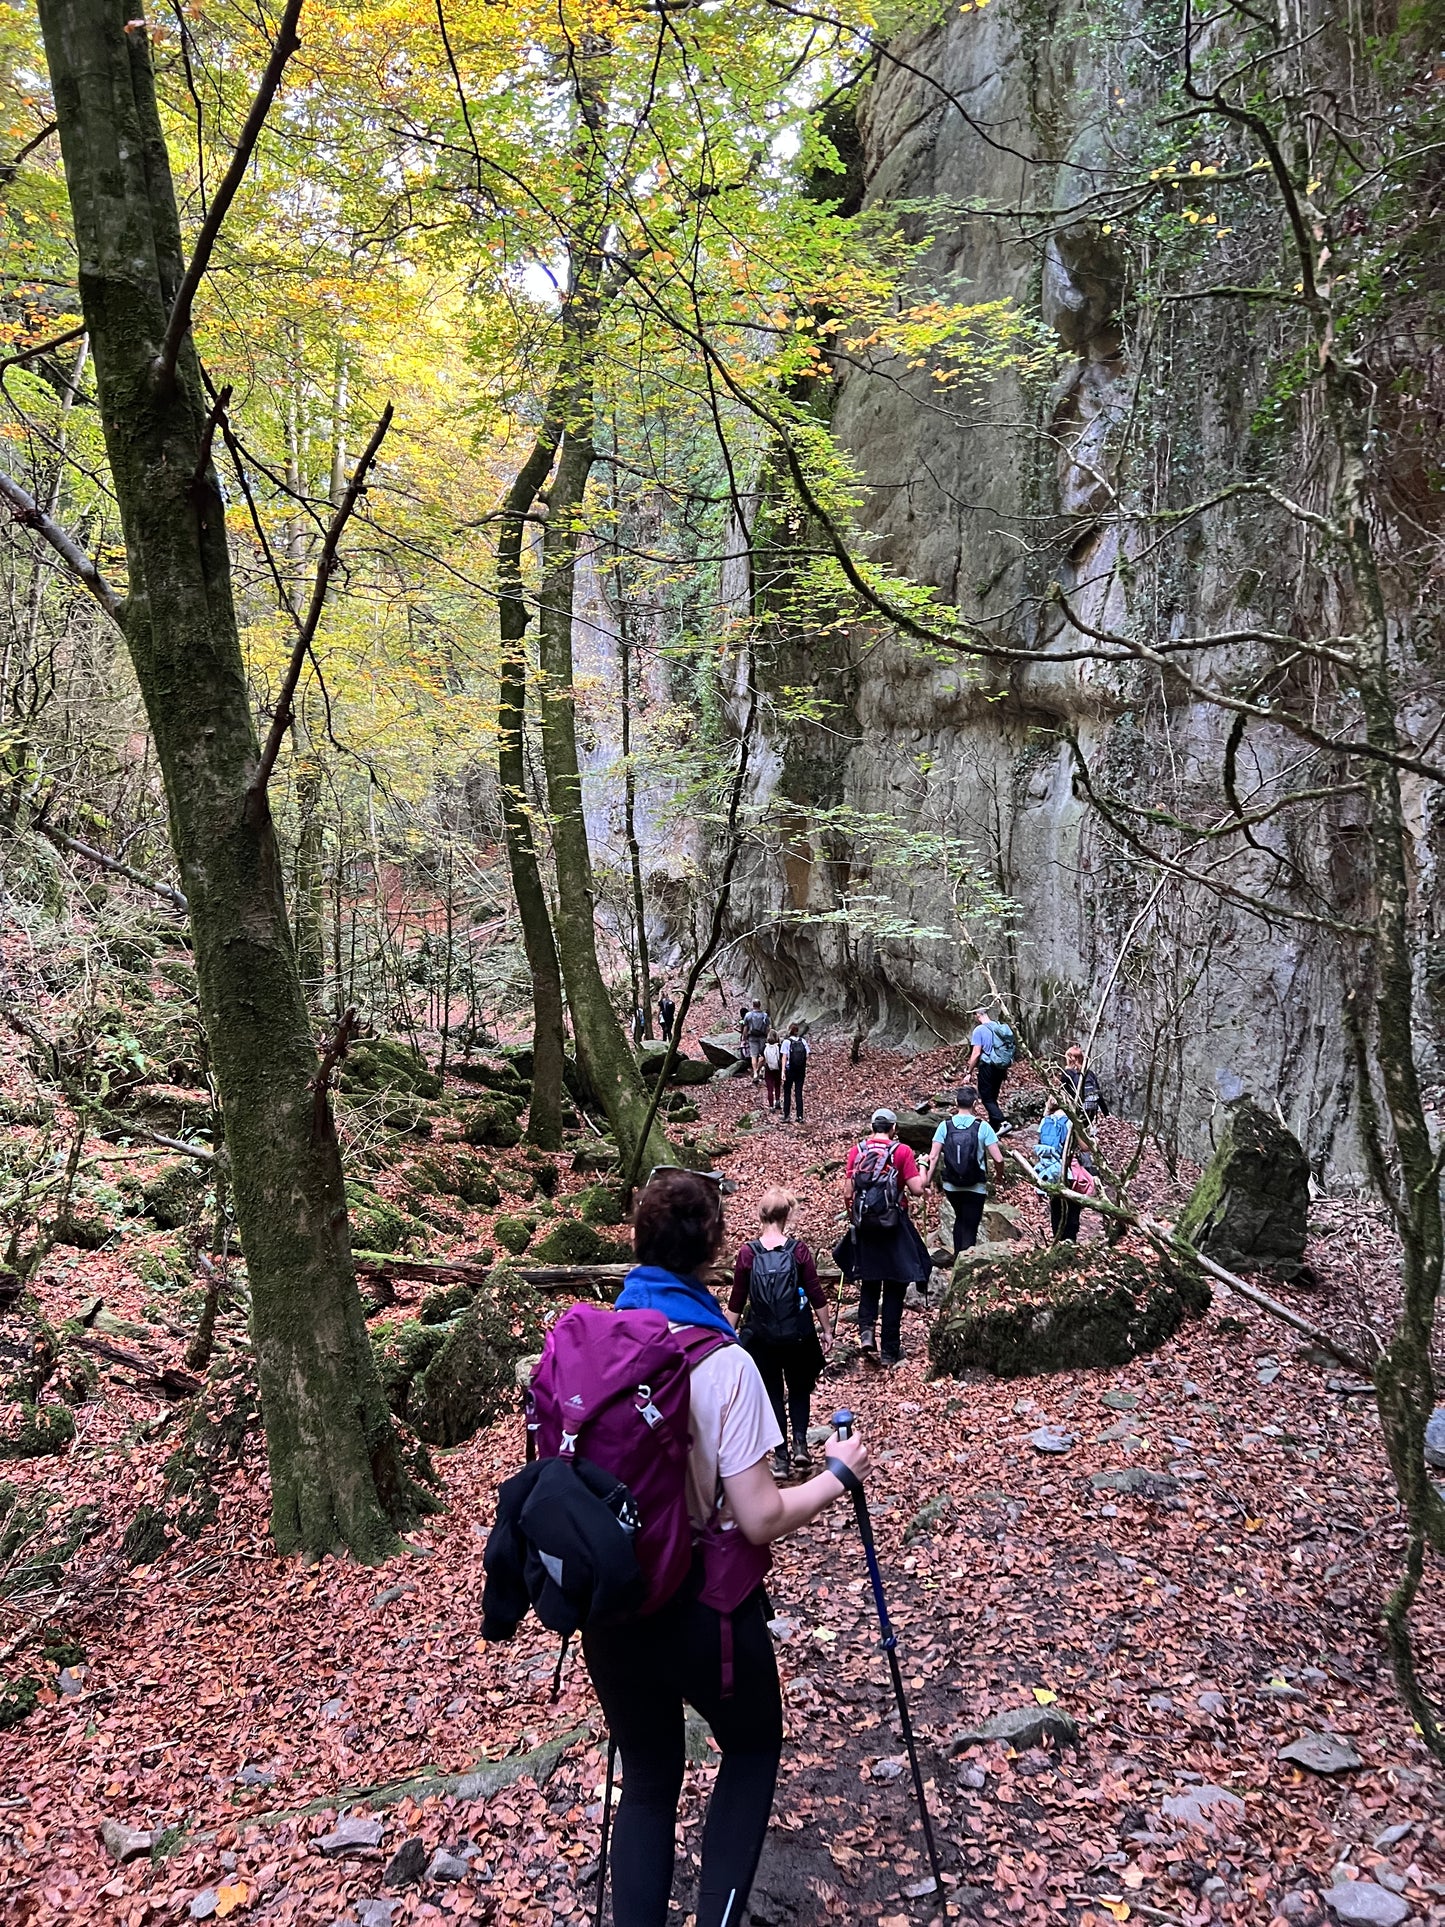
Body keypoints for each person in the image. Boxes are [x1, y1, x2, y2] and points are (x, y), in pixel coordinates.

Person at [581, 1170, 869, 1927]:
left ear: (638, 1244)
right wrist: (838, 1475)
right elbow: (759, 1515)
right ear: (712, 1251)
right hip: (704, 1610)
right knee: (748, 1751)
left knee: (645, 1781)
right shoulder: (722, 1361)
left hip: (610, 1606)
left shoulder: (589, 1346)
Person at [730, 1188, 829, 1473]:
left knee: (772, 1393)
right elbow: (815, 1293)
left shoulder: (748, 1253)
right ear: (787, 1215)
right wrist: (827, 1330)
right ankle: (801, 1445)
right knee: (799, 1389)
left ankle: (782, 1457)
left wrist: (726, 1337)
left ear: (760, 1216)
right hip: (798, 1334)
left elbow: (737, 1300)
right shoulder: (798, 1250)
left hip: (763, 1338)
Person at [833, 1108, 930, 1366]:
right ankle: (889, 1350)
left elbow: (848, 1190)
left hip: (866, 1227)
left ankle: (866, 1333)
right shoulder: (902, 1152)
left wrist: (855, 1217)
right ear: (893, 1128)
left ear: (872, 1126)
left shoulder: (858, 1150)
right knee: (895, 1287)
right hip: (893, 1225)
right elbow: (917, 1189)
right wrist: (922, 1167)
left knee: (870, 1281)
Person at [926, 1085, 1003, 1256]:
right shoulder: (983, 1127)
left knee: (960, 1219)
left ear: (955, 1102)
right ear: (975, 1103)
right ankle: (965, 1263)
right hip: (975, 1185)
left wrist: (927, 1181)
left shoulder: (944, 1126)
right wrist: (999, 1176)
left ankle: (957, 1259)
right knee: (971, 1224)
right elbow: (998, 1158)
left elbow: (933, 1156)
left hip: (951, 1185)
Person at [1034, 1099, 1080, 1242]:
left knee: (1056, 1206)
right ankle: (1070, 1239)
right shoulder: (1071, 1121)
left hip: (1050, 1168)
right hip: (1067, 1168)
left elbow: (1040, 1144)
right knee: (1072, 1204)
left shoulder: (1045, 1121)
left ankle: (1057, 1238)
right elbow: (1084, 1147)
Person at [967, 1006, 1016, 1131]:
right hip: (1000, 1067)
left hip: (987, 1066)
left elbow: (976, 1053)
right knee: (993, 1096)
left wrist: (969, 1072)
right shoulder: (998, 1027)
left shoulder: (979, 1030)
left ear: (977, 1015)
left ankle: (1002, 1122)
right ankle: (994, 1126)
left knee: (986, 1097)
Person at [1060, 1043, 1107, 1121]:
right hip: (1092, 1110)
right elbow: (1099, 1095)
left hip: (1078, 1111)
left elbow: (1066, 1095)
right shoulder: (1090, 1073)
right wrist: (1106, 1115)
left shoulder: (1067, 1074)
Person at [781, 1022, 809, 1123]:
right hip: (800, 1071)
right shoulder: (803, 1041)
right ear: (797, 1031)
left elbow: (784, 1057)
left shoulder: (786, 1042)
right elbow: (807, 1055)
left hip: (790, 1070)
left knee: (787, 1092)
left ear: (789, 1030)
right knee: (798, 1093)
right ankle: (800, 1116)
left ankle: (787, 1115)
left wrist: (783, 1072)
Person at [742, 999, 770, 1083]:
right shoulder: (765, 1015)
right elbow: (768, 1028)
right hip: (762, 1037)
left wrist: (744, 1037)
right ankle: (759, 1070)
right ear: (760, 1005)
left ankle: (755, 1073)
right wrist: (768, 1037)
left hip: (752, 1037)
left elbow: (745, 1027)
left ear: (753, 1005)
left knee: (753, 1055)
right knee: (762, 1055)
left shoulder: (748, 1015)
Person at [762, 1030, 783, 1110]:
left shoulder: (765, 1047)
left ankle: (771, 1106)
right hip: (778, 1069)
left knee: (769, 1088)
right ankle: (777, 1101)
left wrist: (758, 1070)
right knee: (777, 1085)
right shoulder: (779, 1047)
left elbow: (762, 1058)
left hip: (768, 1069)